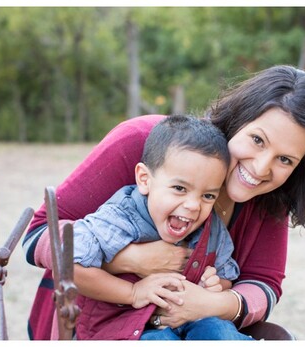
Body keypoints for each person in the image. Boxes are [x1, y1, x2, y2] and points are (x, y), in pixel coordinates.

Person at [22, 65, 305, 340]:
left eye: (285, 159)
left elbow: (264, 283)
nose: (261, 168)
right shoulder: (148, 143)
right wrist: (129, 259)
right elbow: (38, 235)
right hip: (89, 324)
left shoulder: (271, 195)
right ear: (237, 120)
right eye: (257, 140)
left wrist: (211, 301)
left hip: (194, 326)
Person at [66, 116, 251, 340]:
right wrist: (133, 292)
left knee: (221, 332)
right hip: (120, 327)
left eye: (208, 195)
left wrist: (212, 286)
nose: (193, 205)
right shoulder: (118, 219)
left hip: (186, 319)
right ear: (144, 179)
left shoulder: (212, 229)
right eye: (179, 188)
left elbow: (225, 276)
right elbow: (71, 269)